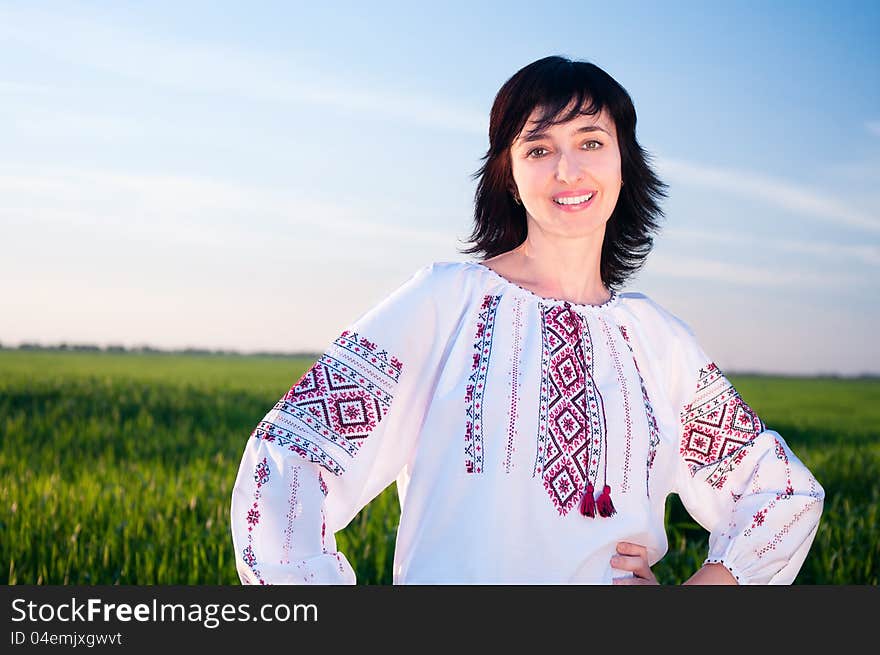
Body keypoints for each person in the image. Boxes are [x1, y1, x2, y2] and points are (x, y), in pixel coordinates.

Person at [229, 55, 824, 585]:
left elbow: (781, 492)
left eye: (591, 141)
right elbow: (289, 463)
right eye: (538, 148)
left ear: (624, 164)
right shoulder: (445, 304)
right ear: (509, 177)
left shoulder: (658, 343)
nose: (567, 170)